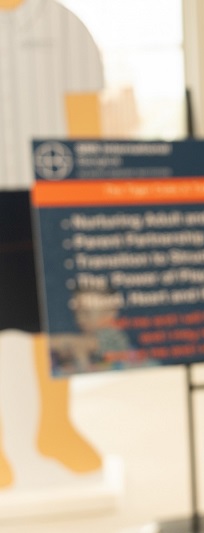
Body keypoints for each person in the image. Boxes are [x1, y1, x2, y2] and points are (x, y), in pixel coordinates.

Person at [0, 0, 104, 489]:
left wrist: (88, 200)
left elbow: (85, 122)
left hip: (49, 193)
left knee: (55, 318)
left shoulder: (65, 25)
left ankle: (56, 426)